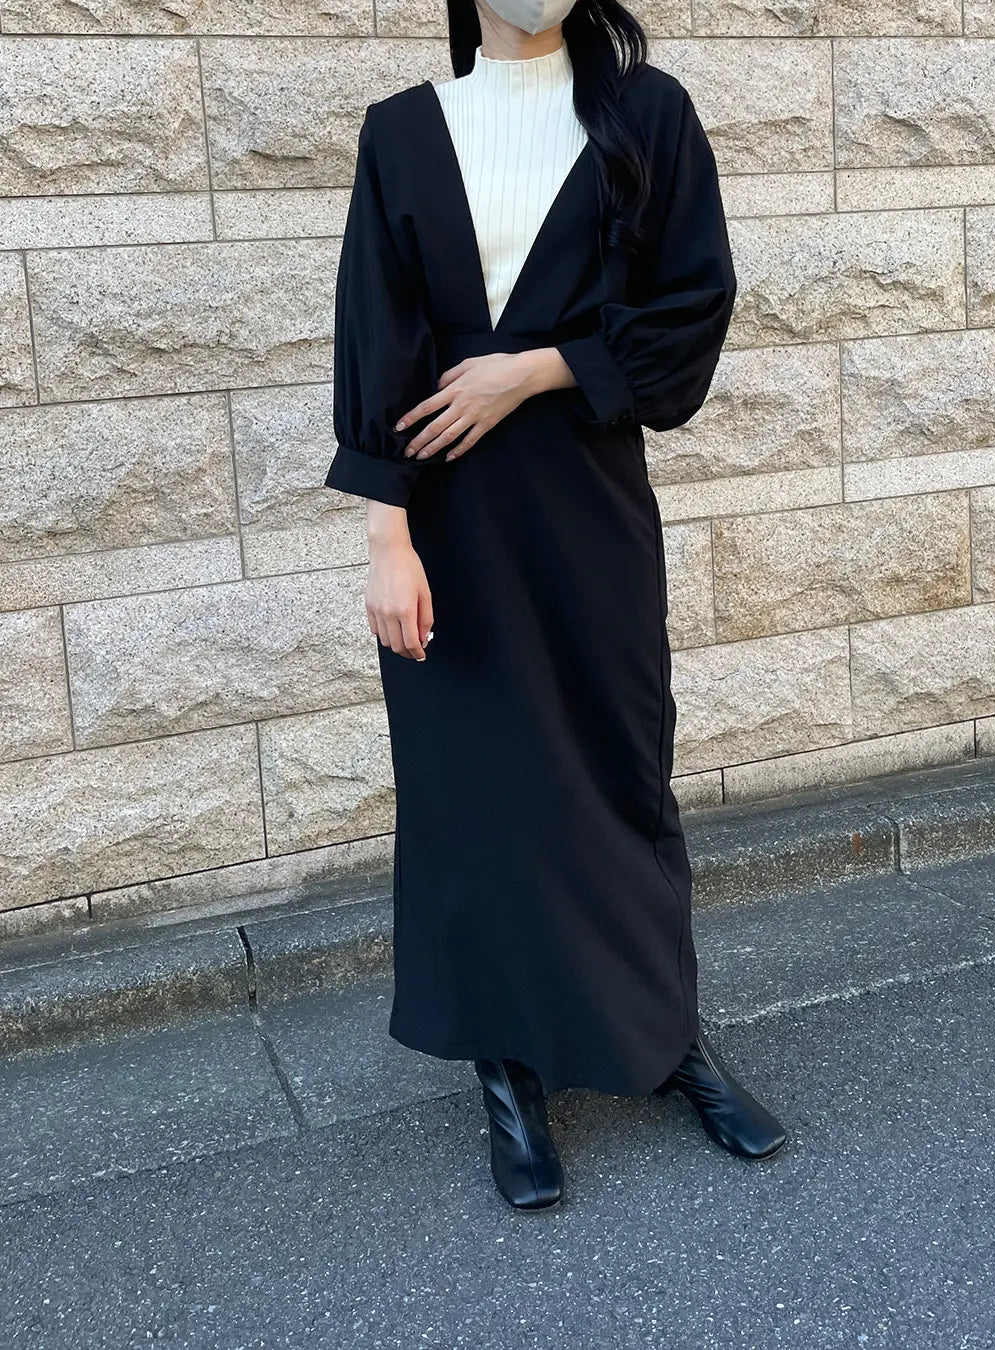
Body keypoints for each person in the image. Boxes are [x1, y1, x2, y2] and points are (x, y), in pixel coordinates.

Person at [324, 0, 788, 1211]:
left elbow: (693, 305)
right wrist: (386, 541)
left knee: (620, 774)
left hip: (588, 508)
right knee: (475, 797)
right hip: (448, 526)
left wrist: (536, 370)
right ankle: (509, 1079)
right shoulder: (403, 133)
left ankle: (667, 1041)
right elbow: (375, 339)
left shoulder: (648, 116)